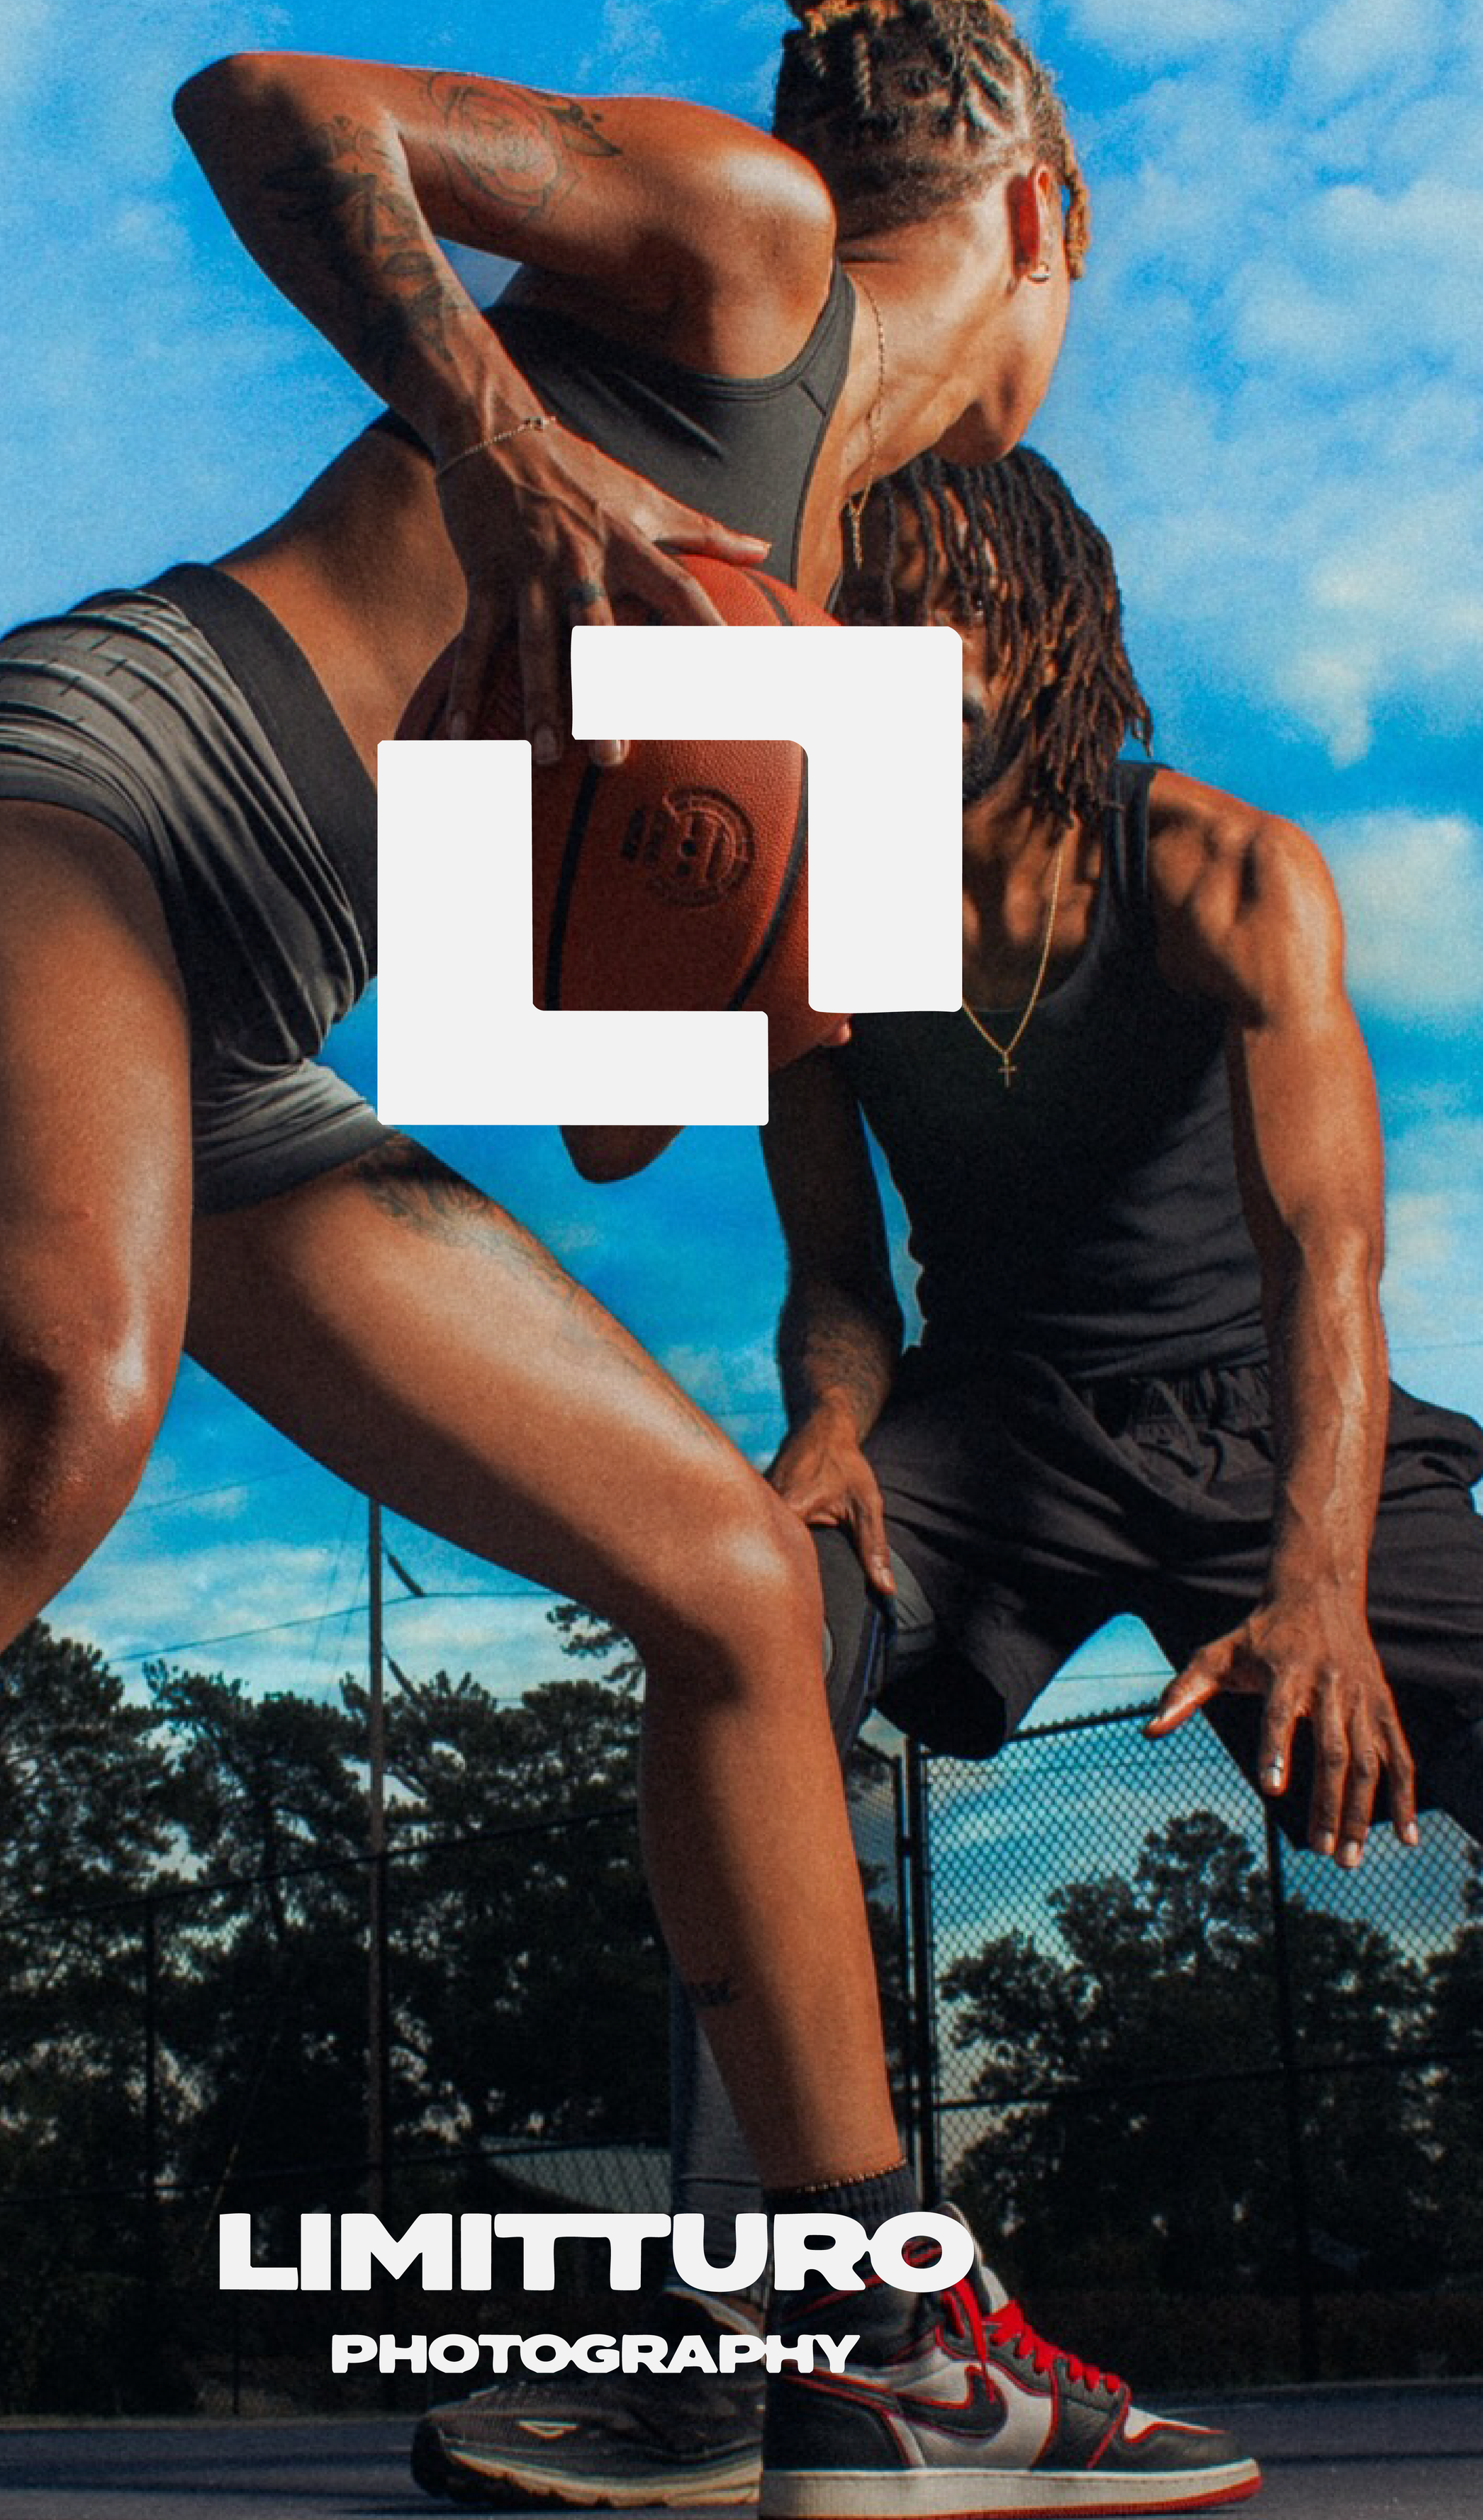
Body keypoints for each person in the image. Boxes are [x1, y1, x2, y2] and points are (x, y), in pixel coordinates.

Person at [0, 9, 1258, 2515]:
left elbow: (609, 1111)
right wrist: (495, 443)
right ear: (1046, 214)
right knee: (40, 1398)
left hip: (245, 1014)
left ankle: (878, 2343)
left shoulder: (827, 620)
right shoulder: (754, 243)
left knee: (730, 1583)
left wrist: (721, 867)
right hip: (78, 794)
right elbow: (264, 107)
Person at [415, 444, 1483, 2510]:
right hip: (988, 1419)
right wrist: (827, 1424)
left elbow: (1327, 1260)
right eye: (848, 623)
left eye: (922, 621)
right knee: (744, 1627)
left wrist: (1320, 1582)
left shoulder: (1221, 871)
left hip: (1255, 1408)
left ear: (1047, 639)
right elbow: (837, 1276)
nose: (871, 661)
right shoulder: (812, 901)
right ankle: (763, 2347)